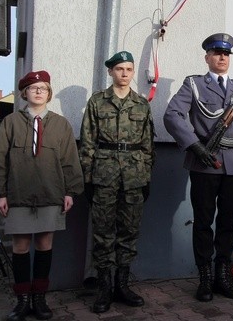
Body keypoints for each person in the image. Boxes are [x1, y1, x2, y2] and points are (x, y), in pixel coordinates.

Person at [163, 33, 233, 301]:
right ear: (207, 57)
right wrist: (194, 146)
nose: (222, 58)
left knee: (228, 223)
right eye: (216, 53)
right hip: (205, 163)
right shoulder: (194, 85)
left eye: (226, 54)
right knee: (203, 222)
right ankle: (204, 278)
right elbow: (172, 115)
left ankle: (222, 276)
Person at [0, 70, 84, 321]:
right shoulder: (11, 123)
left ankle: (39, 298)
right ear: (24, 93)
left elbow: (70, 160)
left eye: (43, 88)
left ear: (48, 94)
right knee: (20, 246)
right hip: (18, 194)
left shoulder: (61, 124)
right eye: (33, 88)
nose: (38, 91)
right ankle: (22, 300)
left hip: (51, 194)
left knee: (44, 244)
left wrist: (70, 191)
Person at [79, 51, 155, 313]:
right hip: (104, 174)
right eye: (120, 69)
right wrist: (87, 178)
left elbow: (147, 145)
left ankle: (122, 285)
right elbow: (87, 141)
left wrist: (146, 177)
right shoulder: (97, 102)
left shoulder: (142, 104)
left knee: (129, 231)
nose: (124, 74)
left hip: (134, 176)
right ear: (110, 71)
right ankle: (104, 288)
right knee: (102, 233)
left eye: (129, 69)